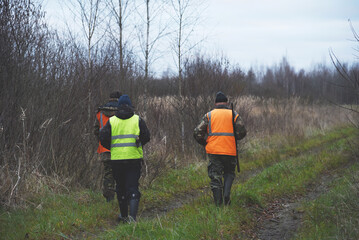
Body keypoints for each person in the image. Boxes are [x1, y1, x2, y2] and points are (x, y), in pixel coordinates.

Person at [99, 95, 150, 222]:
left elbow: (103, 138)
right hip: (134, 158)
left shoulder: (112, 121)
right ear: (130, 106)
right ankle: (132, 218)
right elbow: (147, 136)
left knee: (120, 187)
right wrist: (139, 142)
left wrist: (113, 147)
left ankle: (123, 216)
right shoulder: (137, 120)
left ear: (118, 107)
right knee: (132, 187)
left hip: (117, 159)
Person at [193, 91, 246, 206]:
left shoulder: (209, 115)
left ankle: (218, 204)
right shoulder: (234, 115)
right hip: (230, 150)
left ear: (215, 103)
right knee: (229, 173)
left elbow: (197, 132)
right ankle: (226, 195)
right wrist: (233, 138)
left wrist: (205, 143)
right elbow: (242, 132)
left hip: (214, 151)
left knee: (215, 176)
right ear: (226, 103)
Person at [94, 91, 121, 202]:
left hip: (105, 149)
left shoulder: (100, 112)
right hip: (120, 148)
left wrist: (101, 142)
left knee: (108, 174)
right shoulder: (122, 111)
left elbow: (96, 130)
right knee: (120, 173)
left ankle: (109, 199)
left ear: (110, 98)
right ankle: (122, 198)